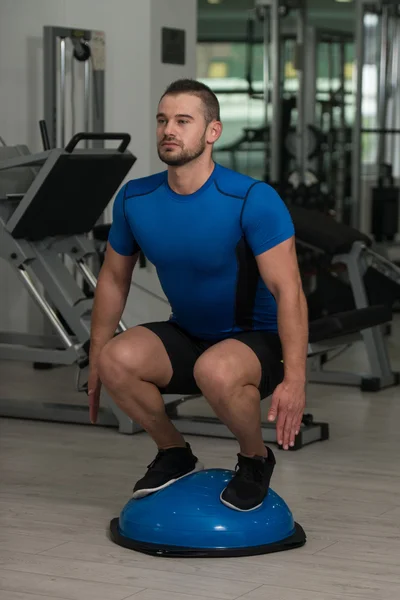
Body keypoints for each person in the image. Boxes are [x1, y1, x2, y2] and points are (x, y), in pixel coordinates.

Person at [88, 78, 308, 512]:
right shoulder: (136, 198)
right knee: (114, 357)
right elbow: (114, 279)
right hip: (189, 334)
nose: (169, 129)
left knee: (216, 369)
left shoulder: (250, 198)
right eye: (163, 120)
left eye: (183, 121)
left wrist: (295, 379)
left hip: (256, 340)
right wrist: (96, 356)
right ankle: (175, 453)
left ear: (212, 132)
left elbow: (290, 291)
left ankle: (254, 459)